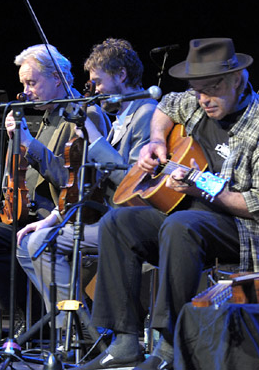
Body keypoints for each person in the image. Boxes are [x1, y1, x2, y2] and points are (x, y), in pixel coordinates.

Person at [77, 38, 259, 370]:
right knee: (117, 222)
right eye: (197, 90)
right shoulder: (196, 102)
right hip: (195, 211)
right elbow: (167, 104)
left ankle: (170, 346)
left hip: (246, 229)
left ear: (237, 80)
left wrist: (205, 191)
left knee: (180, 226)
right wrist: (155, 141)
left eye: (211, 89)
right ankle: (124, 340)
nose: (202, 99)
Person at [0, 44, 110, 333]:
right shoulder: (45, 117)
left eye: (32, 82)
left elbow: (77, 184)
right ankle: (28, 313)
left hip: (65, 218)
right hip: (30, 218)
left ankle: (36, 321)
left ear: (57, 78)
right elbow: (21, 185)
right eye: (23, 84)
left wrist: (29, 143)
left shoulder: (85, 116)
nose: (25, 91)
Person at [15, 38, 156, 330]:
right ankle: (77, 330)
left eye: (98, 82)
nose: (94, 89)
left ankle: (85, 331)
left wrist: (93, 136)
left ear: (121, 75)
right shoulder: (120, 117)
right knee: (34, 242)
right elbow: (85, 183)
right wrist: (54, 217)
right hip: (103, 216)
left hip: (129, 220)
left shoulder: (146, 115)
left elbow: (132, 184)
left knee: (40, 244)